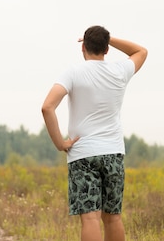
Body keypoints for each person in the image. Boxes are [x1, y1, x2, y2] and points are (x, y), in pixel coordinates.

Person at [41, 26, 147, 241]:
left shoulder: (73, 73)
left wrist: (60, 144)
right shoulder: (120, 71)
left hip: (83, 154)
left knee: (90, 219)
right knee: (113, 217)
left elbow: (47, 107)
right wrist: (108, 39)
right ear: (107, 49)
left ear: (83, 48)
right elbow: (140, 51)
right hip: (114, 152)